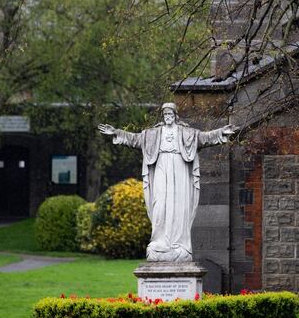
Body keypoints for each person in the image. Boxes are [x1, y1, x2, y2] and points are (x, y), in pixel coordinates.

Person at [98, 103, 236, 262]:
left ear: (176, 116)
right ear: (163, 117)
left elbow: (204, 138)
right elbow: (135, 139)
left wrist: (221, 132)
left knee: (178, 206)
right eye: (165, 115)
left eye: (171, 115)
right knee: (160, 203)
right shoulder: (153, 134)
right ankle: (159, 241)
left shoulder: (186, 132)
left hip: (180, 167)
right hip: (161, 166)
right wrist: (116, 132)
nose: (168, 117)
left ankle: (179, 244)